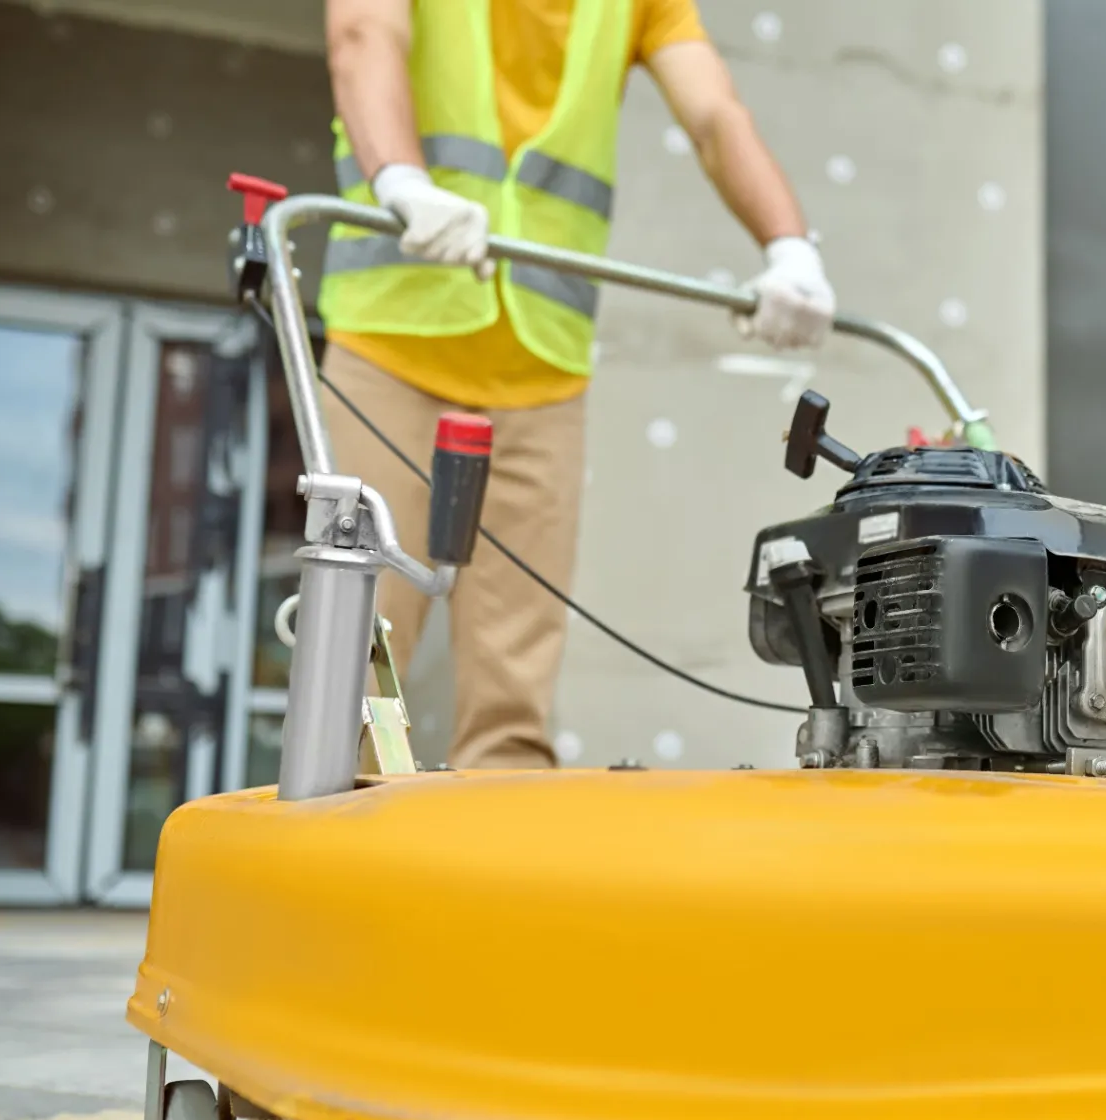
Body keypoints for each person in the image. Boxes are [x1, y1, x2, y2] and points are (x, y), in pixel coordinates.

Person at [317, 0, 835, 769]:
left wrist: (789, 246)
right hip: (390, 349)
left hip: (541, 376)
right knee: (353, 670)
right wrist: (400, 181)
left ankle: (498, 881)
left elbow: (714, 115)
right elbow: (362, 34)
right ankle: (334, 867)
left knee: (511, 710)